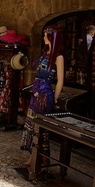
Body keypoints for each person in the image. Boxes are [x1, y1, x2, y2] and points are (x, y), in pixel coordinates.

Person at [20, 26, 64, 165]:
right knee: (31, 125)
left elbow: (60, 81)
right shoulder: (45, 54)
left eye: (46, 36)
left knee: (40, 128)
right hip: (36, 92)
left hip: (44, 95)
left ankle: (39, 157)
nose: (44, 38)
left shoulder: (58, 57)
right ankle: (34, 155)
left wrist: (55, 98)